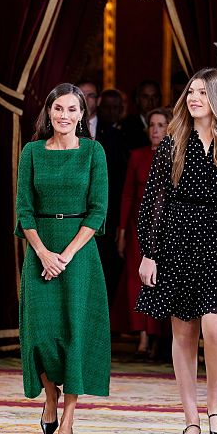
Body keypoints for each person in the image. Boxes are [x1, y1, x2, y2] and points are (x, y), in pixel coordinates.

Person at [135, 68, 217, 434]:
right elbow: (154, 200)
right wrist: (149, 252)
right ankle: (190, 418)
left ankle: (215, 407)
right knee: (184, 332)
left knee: (216, 328)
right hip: (177, 240)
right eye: (191, 91)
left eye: (202, 92)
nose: (193, 98)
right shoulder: (172, 143)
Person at [15, 83, 110, 434]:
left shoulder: (93, 152)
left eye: (72, 109)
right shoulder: (32, 152)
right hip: (39, 248)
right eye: (58, 109)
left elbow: (98, 209)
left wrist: (66, 255)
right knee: (39, 334)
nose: (64, 116)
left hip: (79, 254)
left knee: (75, 333)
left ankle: (69, 418)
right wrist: (42, 252)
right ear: (48, 112)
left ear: (82, 114)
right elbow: (23, 208)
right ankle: (49, 396)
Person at [115, 107, 171, 358]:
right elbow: (127, 195)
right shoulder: (137, 156)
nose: (156, 130)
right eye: (152, 125)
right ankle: (142, 338)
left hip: (168, 229)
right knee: (136, 281)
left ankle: (161, 338)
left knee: (162, 282)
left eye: (161, 125)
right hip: (140, 228)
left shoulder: (178, 156)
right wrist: (123, 231)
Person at [95, 88, 128, 331]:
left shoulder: (124, 136)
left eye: (116, 108)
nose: (111, 113)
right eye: (107, 107)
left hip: (114, 212)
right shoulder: (94, 137)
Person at [120, 80, 162, 150]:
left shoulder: (168, 124)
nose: (151, 101)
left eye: (155, 96)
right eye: (145, 97)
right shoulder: (127, 125)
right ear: (137, 99)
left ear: (160, 98)